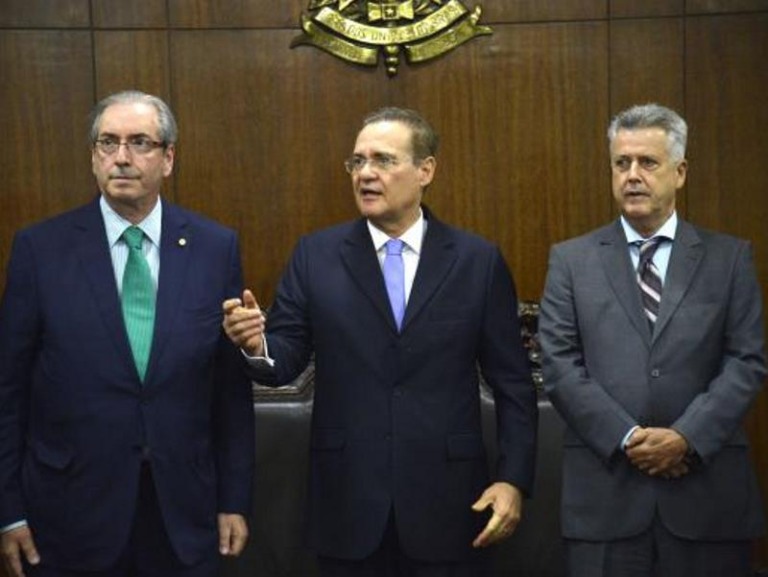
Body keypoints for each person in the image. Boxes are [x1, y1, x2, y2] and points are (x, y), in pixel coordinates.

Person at [222, 107, 537, 576]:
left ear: (425, 170)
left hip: (450, 502)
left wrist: (513, 480)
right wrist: (255, 345)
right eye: (357, 161)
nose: (365, 173)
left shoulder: (476, 261)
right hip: (347, 501)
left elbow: (513, 384)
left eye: (383, 160)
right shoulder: (316, 255)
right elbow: (284, 358)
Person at [0, 90, 255, 577]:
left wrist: (234, 499)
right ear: (93, 156)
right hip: (69, 512)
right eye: (108, 143)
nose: (121, 157)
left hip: (183, 510)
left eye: (140, 142)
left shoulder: (214, 247)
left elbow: (229, 390)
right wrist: (8, 511)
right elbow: (8, 390)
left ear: (168, 158)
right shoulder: (40, 249)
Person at [539, 103, 767, 577]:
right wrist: (628, 439)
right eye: (621, 163)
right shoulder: (571, 261)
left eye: (648, 162)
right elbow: (559, 366)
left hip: (706, 497)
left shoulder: (728, 259)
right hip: (606, 498)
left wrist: (687, 437)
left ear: (679, 172)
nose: (632, 176)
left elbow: (746, 361)